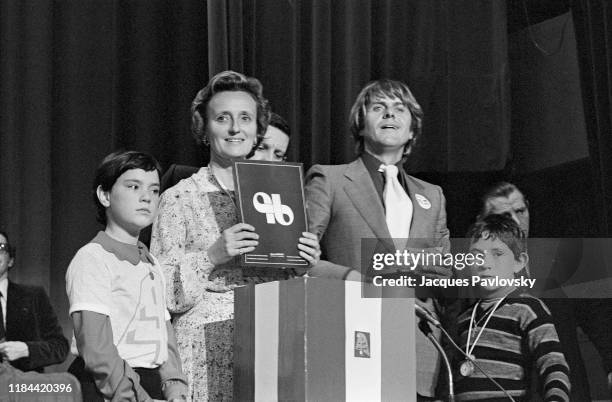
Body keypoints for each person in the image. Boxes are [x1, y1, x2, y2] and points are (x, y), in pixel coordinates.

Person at [150, 70, 321, 400]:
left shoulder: (284, 192)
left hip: (271, 339)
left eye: (245, 118)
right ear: (204, 128)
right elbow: (162, 297)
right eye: (222, 118)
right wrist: (211, 255)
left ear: (258, 129)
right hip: (204, 347)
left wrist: (303, 262)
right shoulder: (179, 197)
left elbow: (288, 281)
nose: (234, 128)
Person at [305, 78, 451, 400]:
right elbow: (301, 261)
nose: (389, 114)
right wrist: (355, 279)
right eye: (378, 108)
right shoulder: (328, 180)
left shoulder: (433, 196)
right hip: (350, 335)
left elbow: (444, 270)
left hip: (416, 344)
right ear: (360, 122)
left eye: (400, 109)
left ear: (412, 130)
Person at [65, 151, 188, 401]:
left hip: (147, 383)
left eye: (154, 190)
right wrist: (135, 396)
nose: (146, 197)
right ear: (105, 195)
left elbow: (162, 332)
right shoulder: (92, 258)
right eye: (133, 186)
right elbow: (96, 349)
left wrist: (174, 384)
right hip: (107, 387)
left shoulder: (151, 261)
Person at [479, 181, 612, 400]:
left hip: (566, 388)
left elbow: (596, 316)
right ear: (484, 221)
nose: (515, 221)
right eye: (504, 215)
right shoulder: (475, 272)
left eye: (520, 211)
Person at [455, 214, 570, 401]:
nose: (485, 264)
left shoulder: (528, 309)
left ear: (519, 262)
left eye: (497, 254)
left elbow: (553, 363)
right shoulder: (464, 318)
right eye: (475, 256)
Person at [0, 231, 69, 372]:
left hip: (25, 388)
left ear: (10, 259)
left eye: (0, 247)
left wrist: (27, 350)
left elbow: (60, 347)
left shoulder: (33, 296)